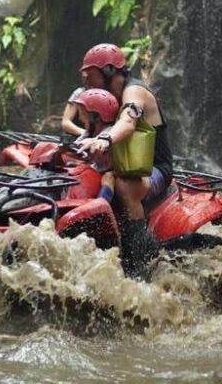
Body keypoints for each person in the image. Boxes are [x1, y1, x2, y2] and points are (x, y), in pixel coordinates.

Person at [75, 43, 174, 279]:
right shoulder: (109, 98)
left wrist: (105, 139)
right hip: (122, 163)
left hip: (153, 170)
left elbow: (128, 122)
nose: (87, 84)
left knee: (124, 186)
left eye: (92, 77)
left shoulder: (134, 92)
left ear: (109, 72)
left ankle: (136, 265)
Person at [70, 88, 119, 202]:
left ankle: (101, 206)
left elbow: (102, 142)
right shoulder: (89, 132)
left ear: (95, 117)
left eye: (82, 113)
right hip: (93, 170)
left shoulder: (110, 131)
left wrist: (95, 142)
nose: (80, 118)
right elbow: (76, 148)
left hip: (110, 171)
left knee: (109, 178)